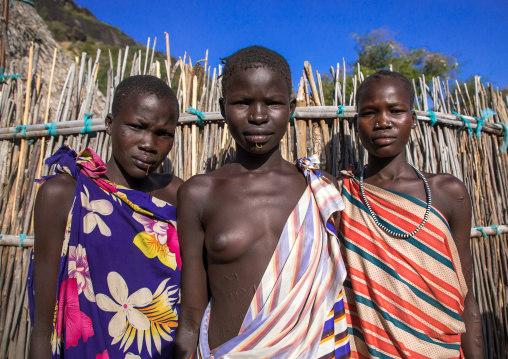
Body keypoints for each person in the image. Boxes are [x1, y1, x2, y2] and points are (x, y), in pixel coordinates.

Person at [174, 46, 350, 359]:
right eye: (242, 103)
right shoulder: (199, 194)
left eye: (272, 103)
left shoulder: (320, 191)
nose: (257, 116)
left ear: (292, 107)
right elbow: (190, 316)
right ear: (223, 107)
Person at [28, 75, 183, 359]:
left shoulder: (177, 196)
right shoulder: (64, 194)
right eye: (136, 127)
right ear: (110, 124)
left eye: (164, 133)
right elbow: (42, 326)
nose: (149, 143)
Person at [339, 70, 483, 358]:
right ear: (356, 124)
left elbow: (465, 298)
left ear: (413, 119)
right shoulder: (340, 195)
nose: (382, 122)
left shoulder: (447, 192)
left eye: (395, 110)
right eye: (369, 112)